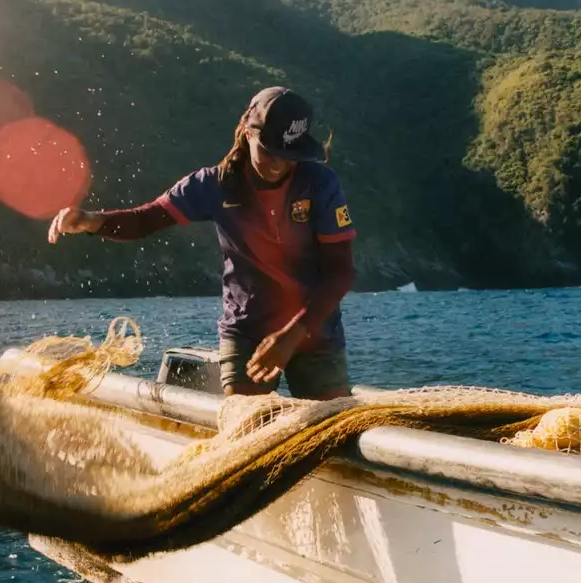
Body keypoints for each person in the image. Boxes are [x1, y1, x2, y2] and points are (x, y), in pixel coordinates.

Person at [47, 86, 357, 400]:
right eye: (270, 151)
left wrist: (292, 335)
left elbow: (340, 272)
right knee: (247, 432)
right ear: (247, 133)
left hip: (315, 332)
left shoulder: (320, 184)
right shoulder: (213, 185)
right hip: (247, 331)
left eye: (289, 155)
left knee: (331, 436)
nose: (279, 163)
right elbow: (146, 219)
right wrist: (90, 220)